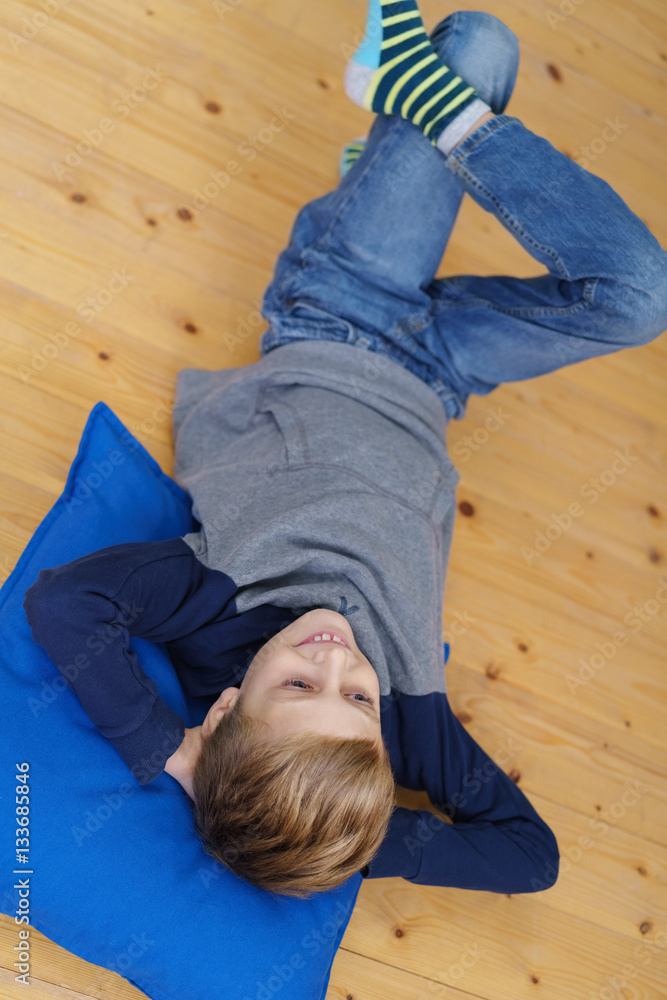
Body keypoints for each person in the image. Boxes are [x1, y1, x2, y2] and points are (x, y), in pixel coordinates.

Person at [23, 3, 667, 901]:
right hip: (443, 373)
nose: (335, 658)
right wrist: (354, 837)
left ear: (225, 706)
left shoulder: (214, 605)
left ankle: (396, 151)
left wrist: (167, 751)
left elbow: (64, 603)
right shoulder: (414, 718)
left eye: (296, 684)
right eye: (358, 700)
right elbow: (531, 857)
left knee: (477, 44)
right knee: (638, 296)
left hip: (338, 310)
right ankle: (404, 135)